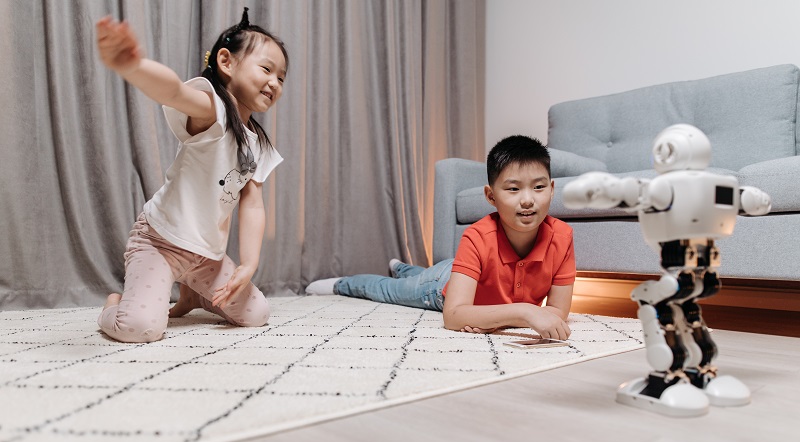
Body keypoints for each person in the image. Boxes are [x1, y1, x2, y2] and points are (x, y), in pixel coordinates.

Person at [95, 8, 288, 342]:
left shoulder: (260, 145)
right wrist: (133, 65)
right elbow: (172, 91)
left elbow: (253, 205)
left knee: (257, 314)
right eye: (267, 69)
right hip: (160, 242)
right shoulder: (212, 111)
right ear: (226, 62)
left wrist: (248, 264)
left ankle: (192, 293)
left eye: (282, 77)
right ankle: (114, 303)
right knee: (139, 328)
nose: (274, 82)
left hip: (205, 255)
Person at [306, 135, 575, 340]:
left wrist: (487, 317)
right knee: (389, 290)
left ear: (551, 190)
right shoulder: (477, 236)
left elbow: (557, 313)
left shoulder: (562, 237)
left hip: (463, 277)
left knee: (417, 273)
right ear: (491, 196)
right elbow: (454, 315)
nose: (528, 200)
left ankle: (403, 267)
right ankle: (343, 283)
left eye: (539, 187)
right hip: (440, 285)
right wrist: (525, 311)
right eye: (513, 189)